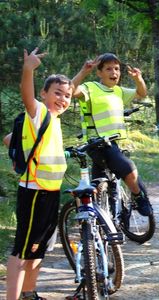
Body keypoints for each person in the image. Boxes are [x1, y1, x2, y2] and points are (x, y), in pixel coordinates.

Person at [6, 48, 73, 300]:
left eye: (67, 96)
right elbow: (27, 97)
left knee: (38, 248)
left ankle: (29, 293)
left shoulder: (53, 119)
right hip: (34, 191)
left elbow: (9, 139)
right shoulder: (40, 114)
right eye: (57, 93)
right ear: (44, 94)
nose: (63, 99)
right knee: (22, 251)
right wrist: (28, 70)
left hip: (50, 192)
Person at [72, 53, 152, 216]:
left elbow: (142, 93)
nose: (113, 72)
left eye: (116, 69)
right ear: (99, 72)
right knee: (129, 168)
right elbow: (70, 91)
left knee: (100, 185)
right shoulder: (90, 87)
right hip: (96, 143)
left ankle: (107, 224)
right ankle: (138, 197)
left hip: (113, 142)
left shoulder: (119, 91)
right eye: (108, 69)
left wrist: (138, 78)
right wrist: (83, 73)